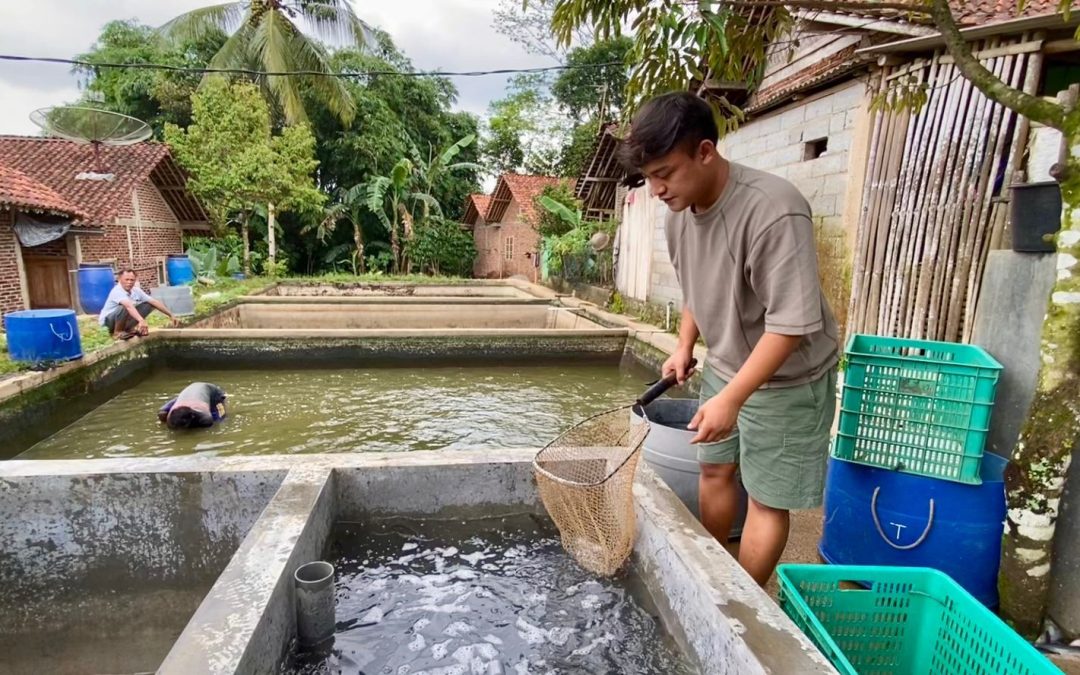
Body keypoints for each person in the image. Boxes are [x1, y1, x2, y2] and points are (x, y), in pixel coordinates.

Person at [618, 92, 839, 586]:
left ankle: (743, 600)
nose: (656, 189)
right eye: (649, 176)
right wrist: (684, 346)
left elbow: (790, 324)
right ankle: (712, 576)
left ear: (705, 151)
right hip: (724, 365)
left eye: (665, 173)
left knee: (765, 497)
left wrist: (733, 399)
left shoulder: (774, 210)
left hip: (788, 379)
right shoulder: (678, 215)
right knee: (714, 471)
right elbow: (698, 288)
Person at [98, 268, 178, 339]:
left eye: (132, 280)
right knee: (125, 306)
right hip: (108, 322)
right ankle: (117, 332)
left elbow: (154, 301)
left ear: (135, 280)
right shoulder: (117, 291)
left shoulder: (136, 291)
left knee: (149, 304)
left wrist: (171, 315)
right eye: (127, 279)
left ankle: (128, 329)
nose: (129, 282)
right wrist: (141, 320)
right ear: (119, 279)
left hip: (122, 320)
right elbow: (128, 306)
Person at [158, 382, 228, 429]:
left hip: (213, 391)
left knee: (220, 418)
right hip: (188, 395)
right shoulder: (170, 419)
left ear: (193, 417)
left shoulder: (206, 417)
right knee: (162, 412)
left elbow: (216, 417)